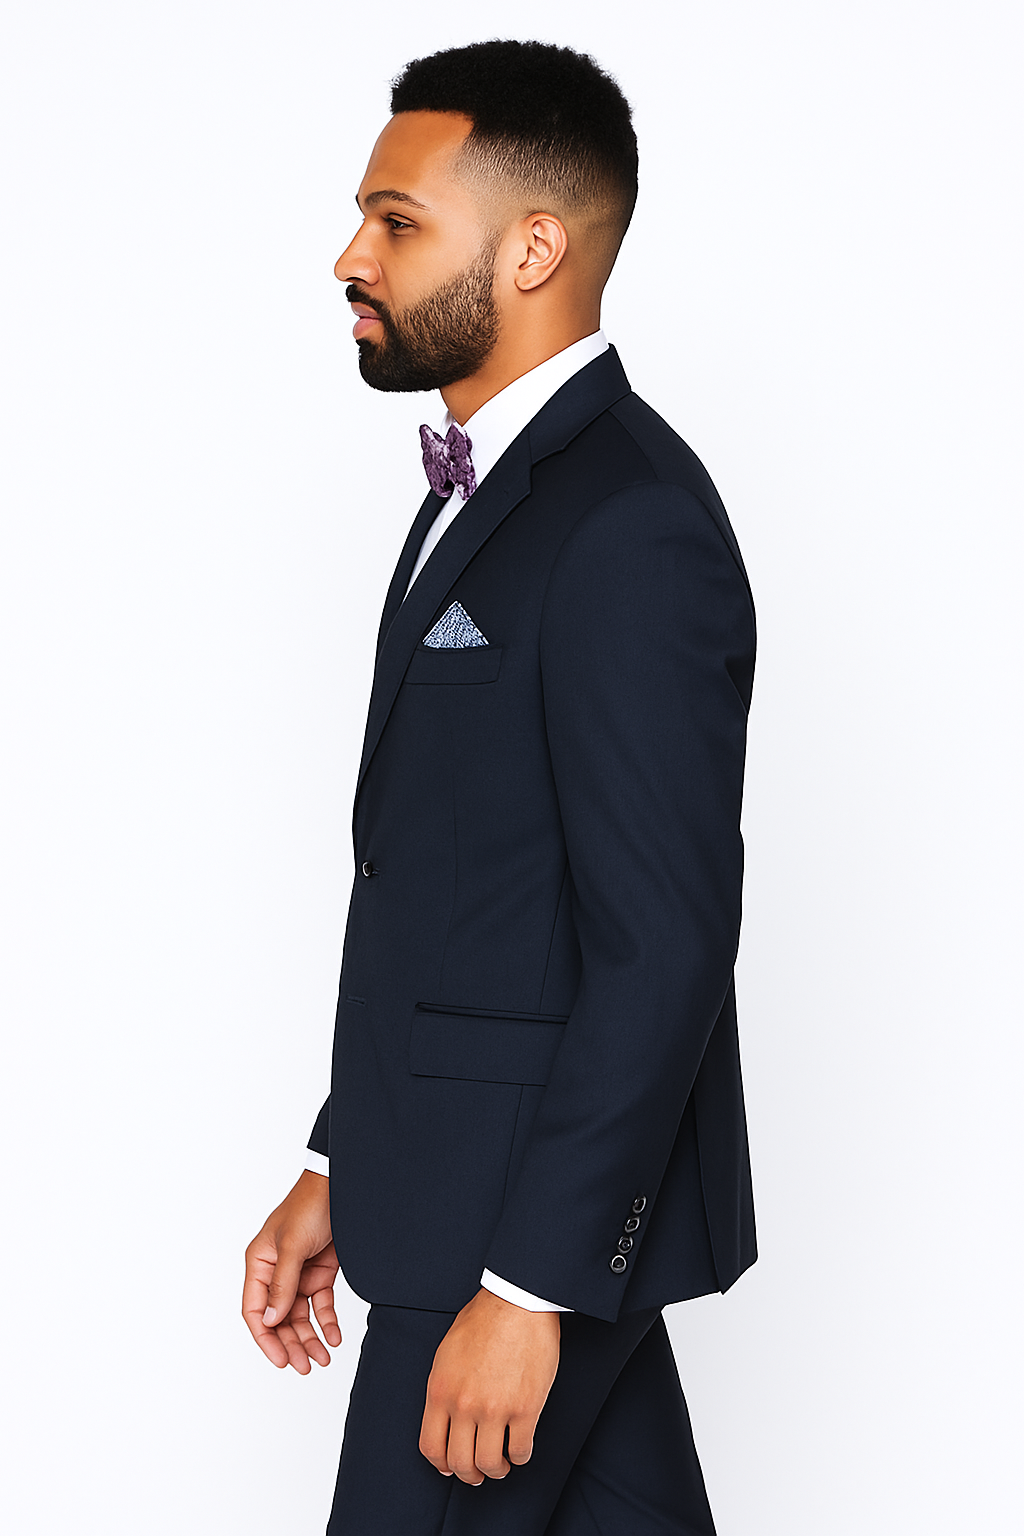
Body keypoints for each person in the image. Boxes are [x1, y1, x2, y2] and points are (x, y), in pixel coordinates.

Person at [242, 39, 757, 1535]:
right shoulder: (475, 494)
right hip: (450, 1190)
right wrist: (342, 1155)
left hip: (510, 1234)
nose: (353, 256)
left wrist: (528, 1288)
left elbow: (661, 942)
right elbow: (459, 891)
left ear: (534, 248)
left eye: (397, 221)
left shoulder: (630, 523)